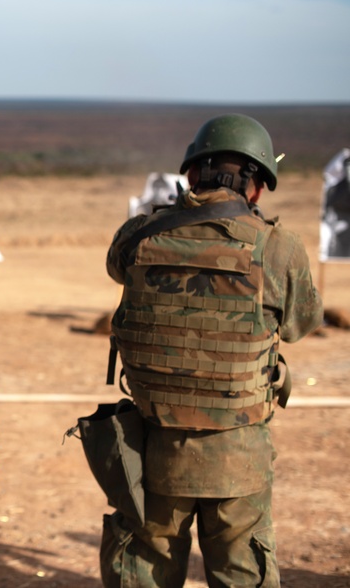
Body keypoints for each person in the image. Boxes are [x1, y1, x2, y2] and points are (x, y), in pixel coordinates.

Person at [100, 113, 324, 586]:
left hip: (150, 445)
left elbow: (118, 271)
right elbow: (302, 324)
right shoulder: (278, 247)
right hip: (237, 456)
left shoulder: (138, 235)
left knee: (144, 574)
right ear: (258, 187)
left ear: (191, 173)